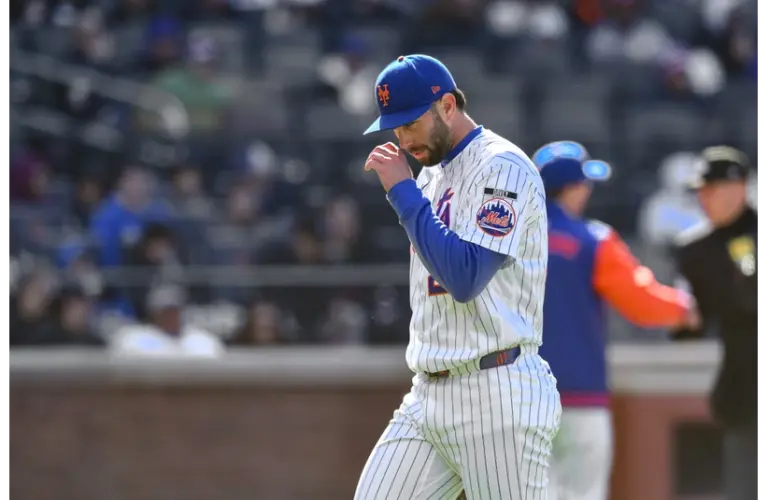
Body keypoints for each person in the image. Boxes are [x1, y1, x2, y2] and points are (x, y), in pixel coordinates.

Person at [355, 54, 560, 500]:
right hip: (428, 391)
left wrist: (402, 192)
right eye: (395, 126)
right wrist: (410, 189)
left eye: (411, 122)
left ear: (447, 105)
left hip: (496, 389)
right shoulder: (430, 175)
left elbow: (465, 278)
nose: (402, 136)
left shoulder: (502, 165)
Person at [530, 141, 699, 500]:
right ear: (574, 188)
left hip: (516, 397)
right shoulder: (593, 240)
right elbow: (640, 301)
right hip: (580, 395)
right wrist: (685, 308)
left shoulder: (506, 238)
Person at [671, 145, 759, 500]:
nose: (703, 199)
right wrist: (681, 317)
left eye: (711, 190)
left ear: (738, 187)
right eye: (700, 192)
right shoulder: (696, 249)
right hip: (744, 389)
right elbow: (692, 322)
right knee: (746, 487)